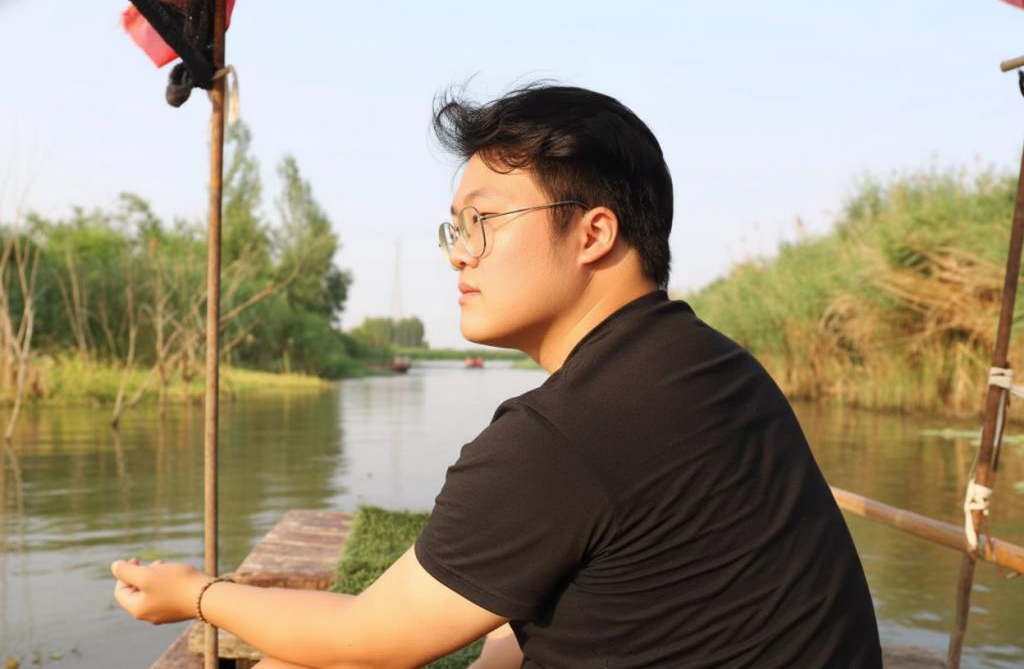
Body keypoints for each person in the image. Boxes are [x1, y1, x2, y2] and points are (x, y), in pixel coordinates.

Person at [111, 84, 882, 668]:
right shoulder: (709, 363)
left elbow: (370, 637)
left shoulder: (563, 433)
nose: (458, 253)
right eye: (454, 228)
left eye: (481, 222)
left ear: (594, 233)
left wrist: (197, 594)